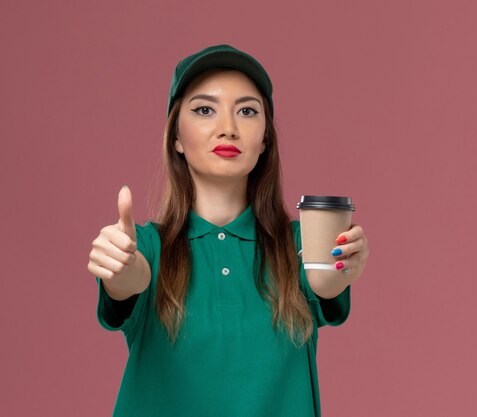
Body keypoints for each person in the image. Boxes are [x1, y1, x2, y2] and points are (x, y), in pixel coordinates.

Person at [87, 44, 369, 417]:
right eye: (205, 110)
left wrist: (342, 263)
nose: (228, 129)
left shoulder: (301, 244)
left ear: (265, 138)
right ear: (176, 136)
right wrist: (121, 268)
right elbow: (129, 280)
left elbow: (324, 282)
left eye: (247, 111)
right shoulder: (146, 248)